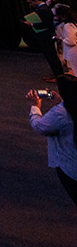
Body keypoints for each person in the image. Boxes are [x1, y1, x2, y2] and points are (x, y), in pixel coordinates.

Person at [28, 74, 77, 206]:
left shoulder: (61, 112)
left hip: (70, 167)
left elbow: (39, 126)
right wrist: (61, 101)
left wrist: (35, 106)